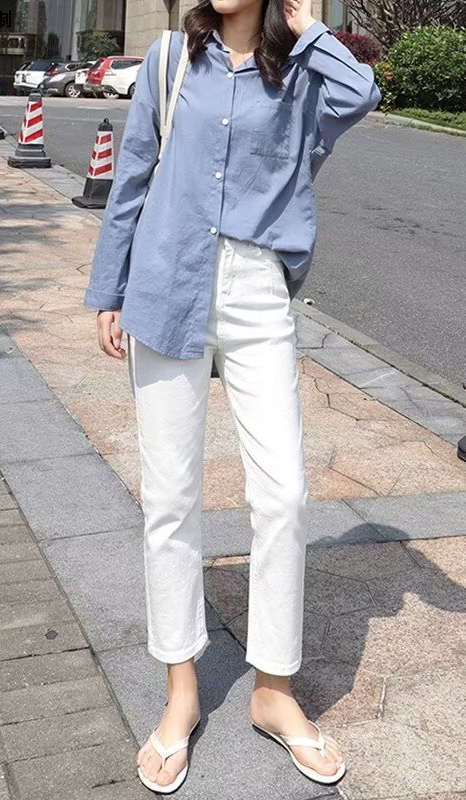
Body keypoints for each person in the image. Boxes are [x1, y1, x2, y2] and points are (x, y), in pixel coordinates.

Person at [83, 0, 381, 791]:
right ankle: (181, 691)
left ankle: (273, 691)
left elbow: (363, 93)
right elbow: (132, 176)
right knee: (170, 498)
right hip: (166, 279)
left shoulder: (304, 75)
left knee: (283, 493)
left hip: (256, 289)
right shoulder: (169, 63)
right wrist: (109, 289)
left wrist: (309, 27)